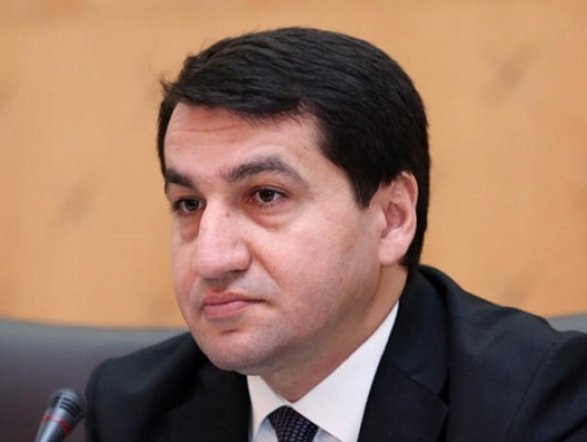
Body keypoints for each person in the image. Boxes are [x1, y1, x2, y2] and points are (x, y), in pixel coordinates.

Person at [85, 27, 587, 442]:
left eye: (265, 195)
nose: (210, 258)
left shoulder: (536, 401)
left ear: (392, 218)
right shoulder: (133, 409)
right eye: (189, 204)